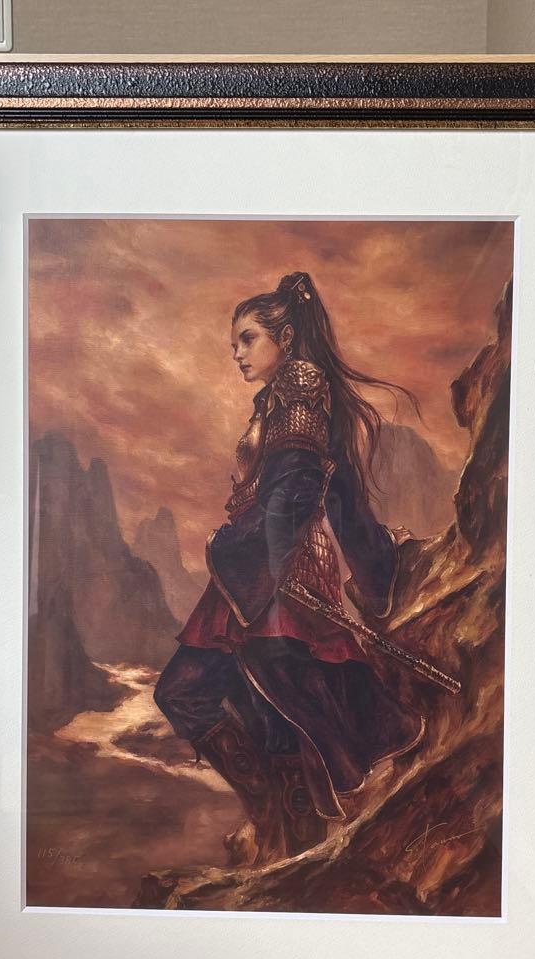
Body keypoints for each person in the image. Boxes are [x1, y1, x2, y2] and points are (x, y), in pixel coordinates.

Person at [154, 271, 424, 861]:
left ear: (286, 337)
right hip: (255, 570)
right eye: (234, 343)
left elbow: (299, 486)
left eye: (248, 339)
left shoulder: (299, 388)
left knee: (255, 703)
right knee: (242, 704)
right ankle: (277, 812)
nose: (238, 353)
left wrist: (270, 561)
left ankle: (289, 827)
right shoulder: (281, 397)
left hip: (277, 572)